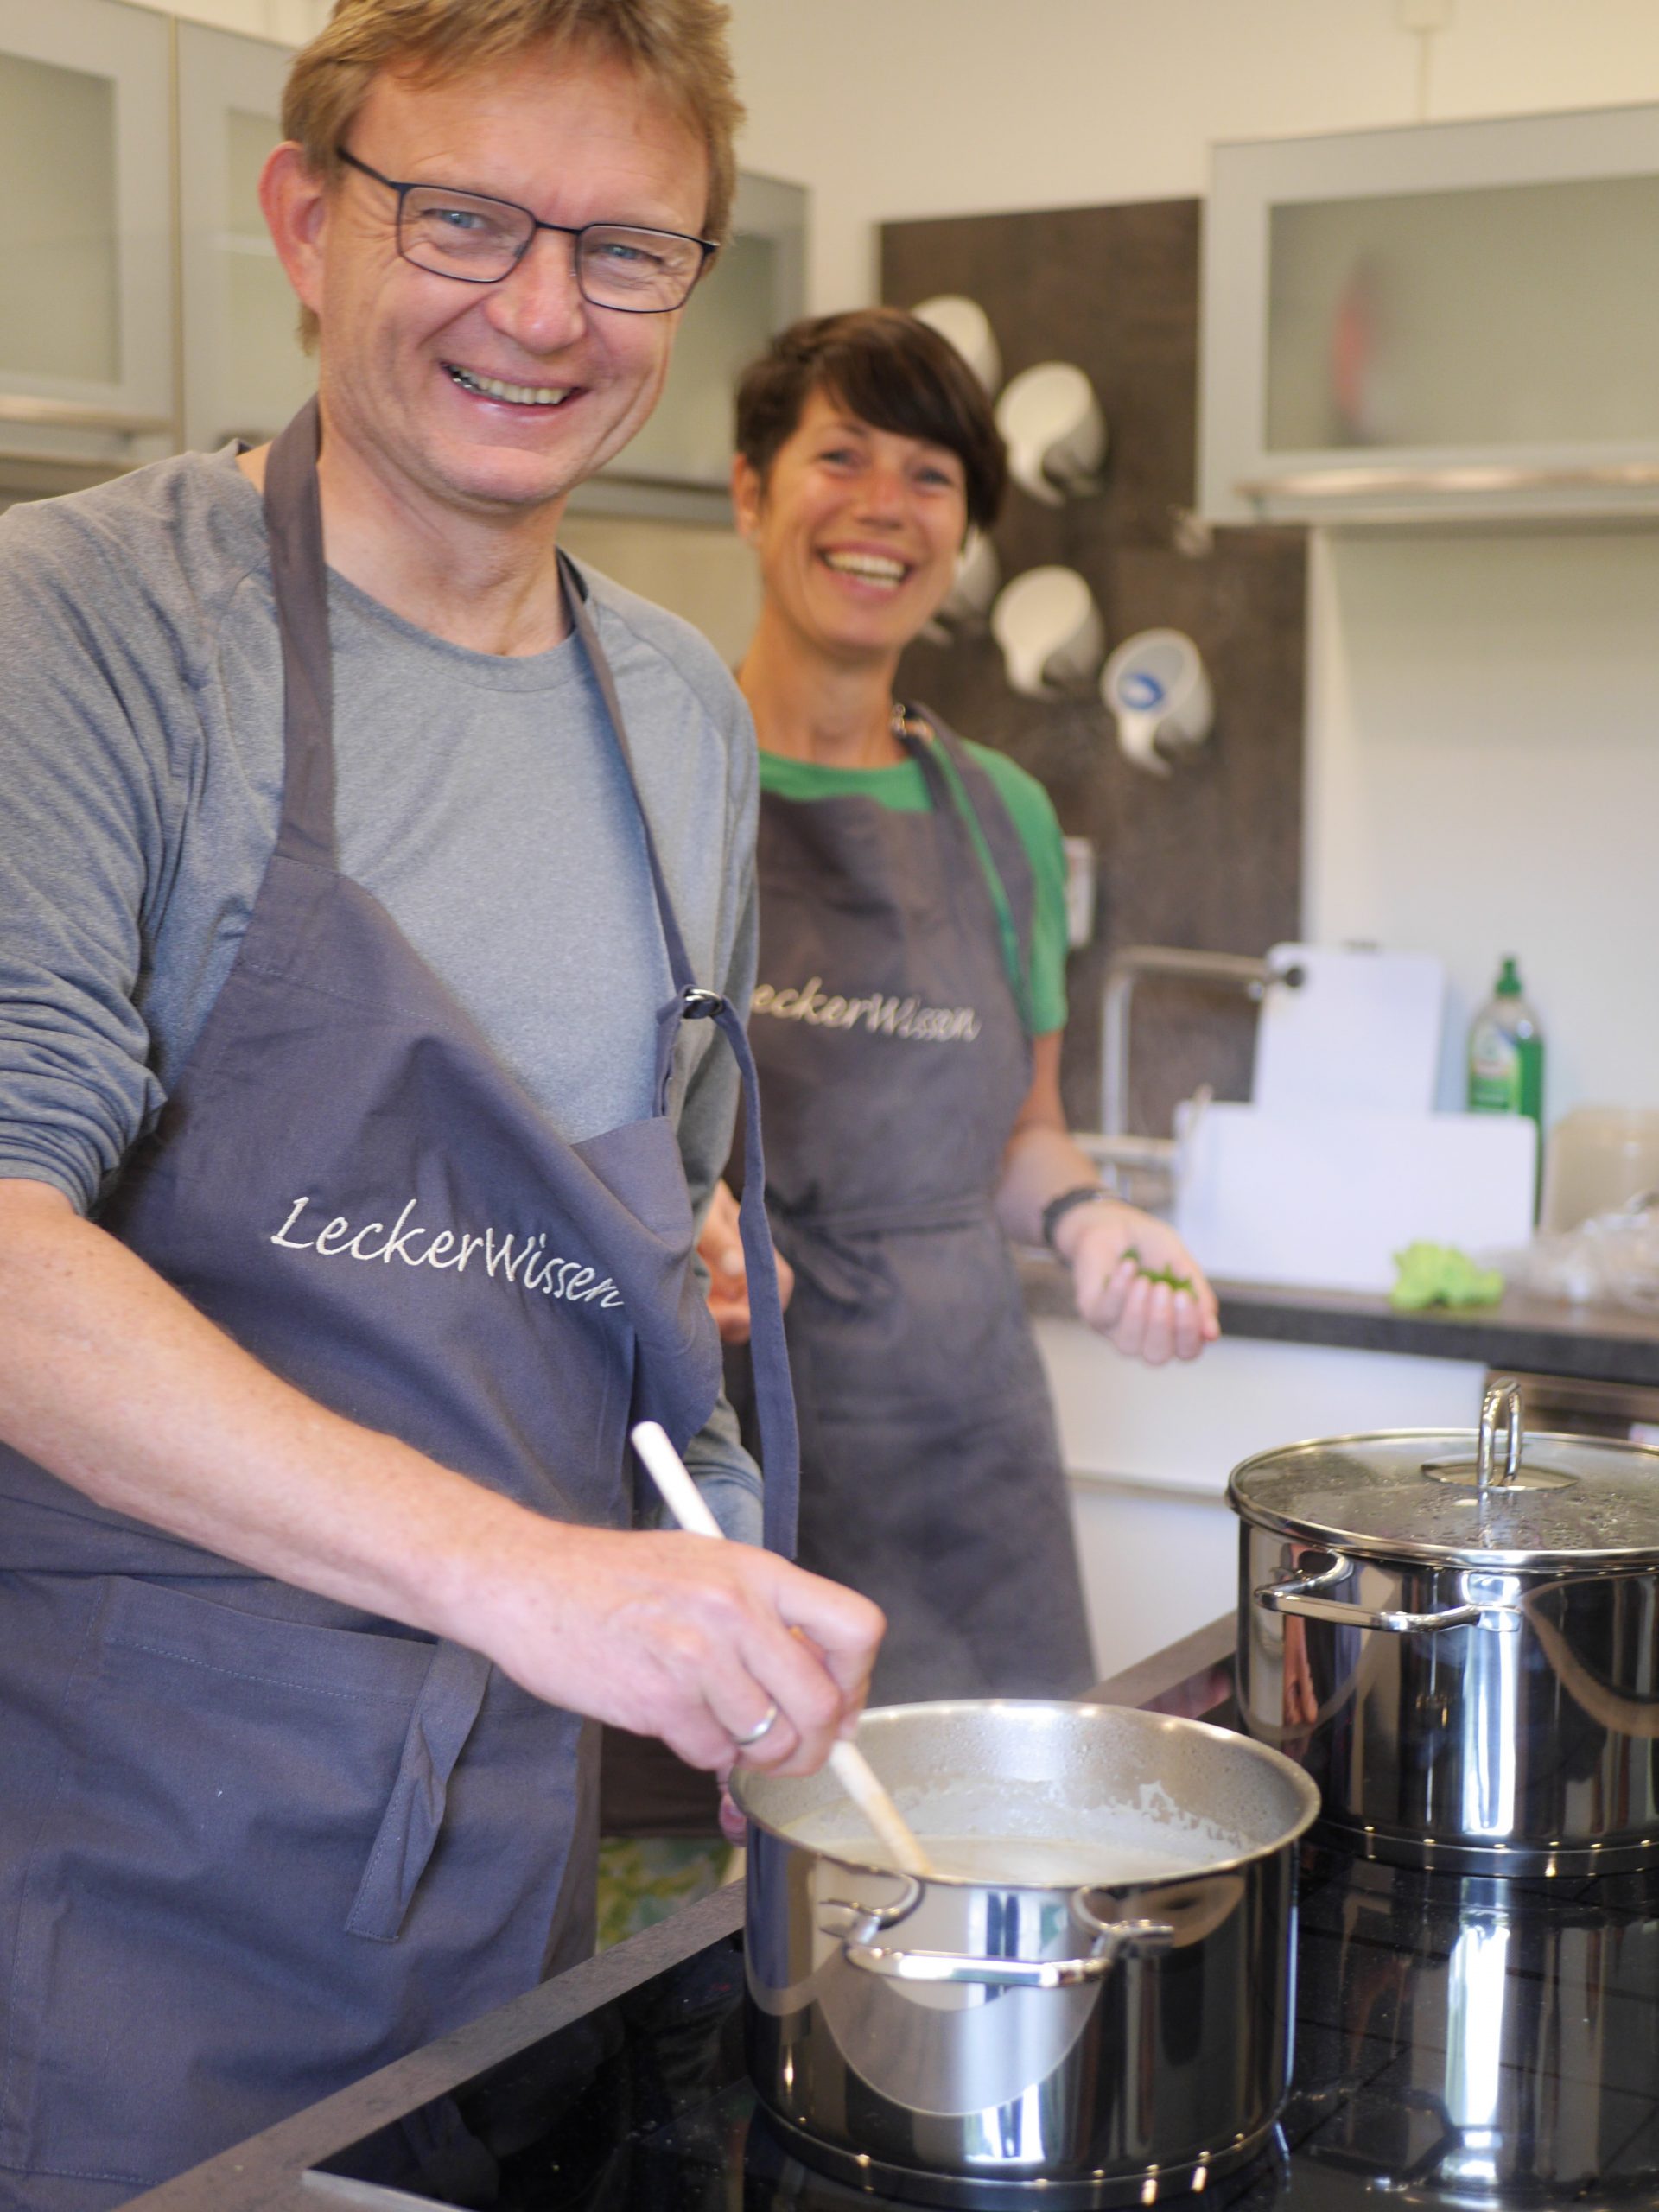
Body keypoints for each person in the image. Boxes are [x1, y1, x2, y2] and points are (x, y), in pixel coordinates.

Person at [0, 6, 883, 2205]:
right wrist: (527, 1579)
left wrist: (705, 1553)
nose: (540, 311)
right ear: (308, 219)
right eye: (465, 217)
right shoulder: (88, 629)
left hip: (514, 1848)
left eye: (625, 248)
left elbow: (635, 1233)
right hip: (125, 1864)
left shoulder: (670, 706)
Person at [702, 308, 1219, 1704]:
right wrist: (661, 1212)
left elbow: (1022, 1134)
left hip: (956, 1447)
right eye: (842, 458)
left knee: (983, 1864)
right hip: (708, 1437)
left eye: (931, 478)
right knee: (697, 1903)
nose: (885, 510)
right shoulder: (653, 775)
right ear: (752, 490)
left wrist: (1090, 1216)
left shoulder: (1007, 819)